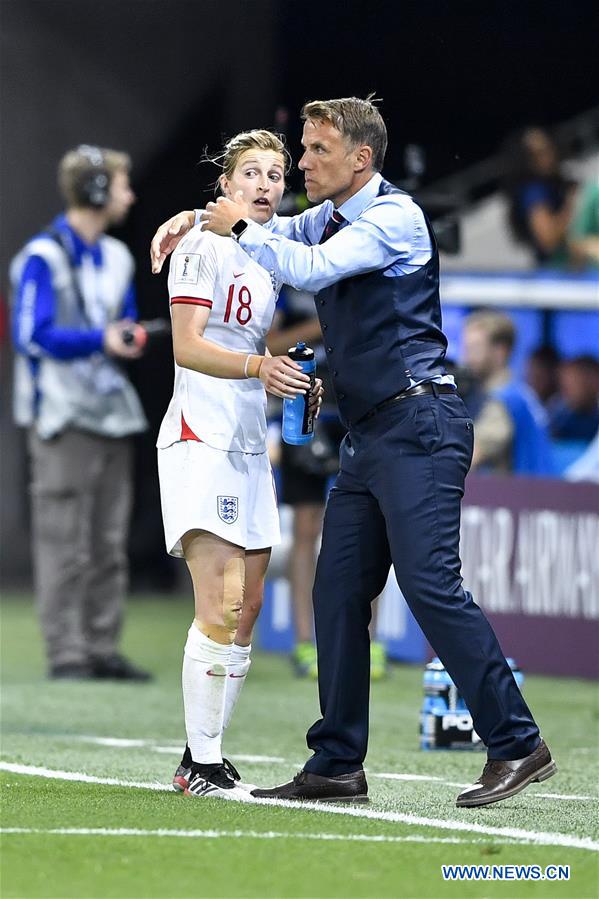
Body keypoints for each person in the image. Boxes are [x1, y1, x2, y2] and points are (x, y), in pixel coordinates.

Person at [151, 96, 556, 809]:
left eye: (313, 152)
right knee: (335, 591)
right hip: (369, 435)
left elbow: (305, 266)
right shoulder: (326, 214)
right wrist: (190, 218)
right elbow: (258, 220)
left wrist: (233, 223)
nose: (300, 164)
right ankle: (336, 762)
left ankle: (516, 741)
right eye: (299, 152)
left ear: (358, 160)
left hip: (421, 422)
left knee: (430, 585)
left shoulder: (391, 217)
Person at [155, 130, 322, 801]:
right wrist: (259, 366)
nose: (265, 182)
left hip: (249, 438)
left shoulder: (266, 250)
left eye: (276, 174)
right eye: (250, 171)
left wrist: (281, 363)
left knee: (249, 605)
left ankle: (204, 754)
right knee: (221, 602)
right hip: (202, 434)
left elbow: (251, 331)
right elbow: (189, 346)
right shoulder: (199, 248)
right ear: (225, 183)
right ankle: (202, 760)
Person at [11, 145, 150, 682]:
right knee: (64, 541)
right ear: (96, 191)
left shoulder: (118, 256)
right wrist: (102, 339)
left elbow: (126, 322)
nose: (129, 195)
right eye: (121, 185)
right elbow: (30, 336)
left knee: (108, 543)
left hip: (111, 413)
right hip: (62, 416)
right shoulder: (40, 258)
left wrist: (128, 337)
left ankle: (100, 646)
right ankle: (67, 651)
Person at [267, 288, 387, 680]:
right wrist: (321, 325)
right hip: (304, 407)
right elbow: (268, 344)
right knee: (306, 529)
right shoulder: (287, 283)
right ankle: (305, 642)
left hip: (357, 407)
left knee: (372, 526)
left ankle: (369, 643)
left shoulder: (354, 266)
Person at [462, 311, 554, 475]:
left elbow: (469, 458)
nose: (467, 359)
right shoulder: (519, 392)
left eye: (475, 349)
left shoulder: (503, 400)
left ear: (500, 351)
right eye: (467, 349)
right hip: (539, 494)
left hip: (523, 497)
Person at [501, 127, 576, 268]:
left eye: (548, 148)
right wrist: (573, 205)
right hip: (560, 272)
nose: (548, 156)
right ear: (526, 159)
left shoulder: (556, 183)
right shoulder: (534, 192)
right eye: (537, 154)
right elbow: (548, 239)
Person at [549, 355, 599, 443]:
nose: (565, 392)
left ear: (594, 381)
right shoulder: (558, 419)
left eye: (573, 383)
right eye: (564, 385)